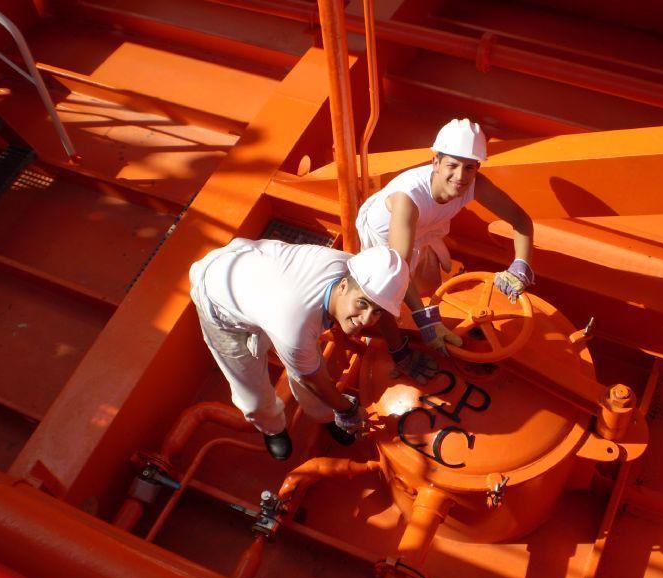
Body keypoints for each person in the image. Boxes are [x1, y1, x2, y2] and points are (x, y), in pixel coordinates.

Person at [189, 239, 436, 461]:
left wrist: (400, 350)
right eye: (362, 305)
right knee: (253, 395)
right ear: (342, 286)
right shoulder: (295, 325)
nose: (366, 319)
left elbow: (375, 303)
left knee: (304, 358)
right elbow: (312, 379)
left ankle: (325, 418)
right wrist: (347, 409)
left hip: (260, 275)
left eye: (377, 311)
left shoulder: (356, 271)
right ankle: (272, 427)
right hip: (221, 299)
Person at [356, 118, 535, 356]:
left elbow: (521, 220)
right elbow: (398, 271)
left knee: (426, 286)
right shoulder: (408, 199)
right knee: (388, 298)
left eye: (469, 167)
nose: (461, 176)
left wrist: (520, 265)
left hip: (423, 231)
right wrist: (426, 322)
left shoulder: (475, 184)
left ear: (477, 169)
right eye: (452, 165)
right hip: (383, 239)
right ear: (436, 162)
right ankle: (383, 345)